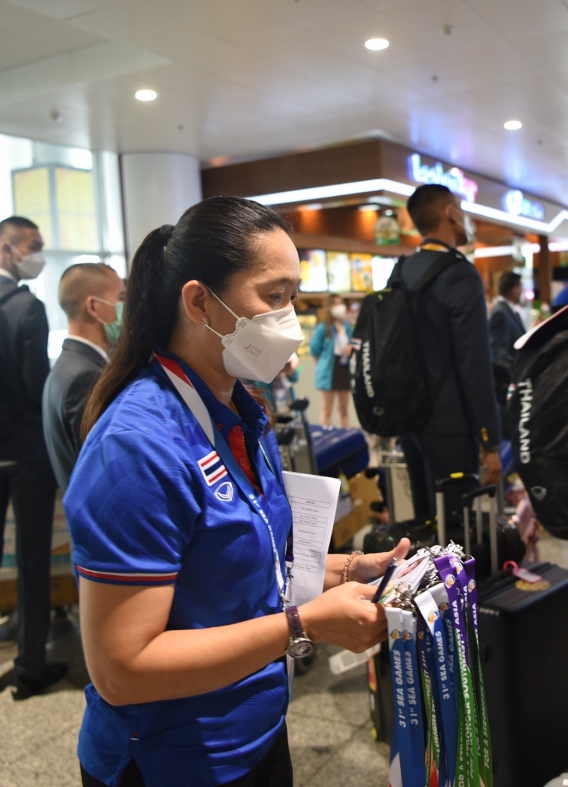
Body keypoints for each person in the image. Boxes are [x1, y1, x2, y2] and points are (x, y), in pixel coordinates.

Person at [66, 196, 408, 787]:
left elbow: (247, 563)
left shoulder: (240, 409)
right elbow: (123, 667)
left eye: (293, 298)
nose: (290, 321)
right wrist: (305, 625)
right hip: (173, 761)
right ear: (200, 302)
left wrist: (349, 569)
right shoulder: (136, 447)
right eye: (273, 297)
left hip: (256, 731)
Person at [0, 216, 65, 703]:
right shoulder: (27, 307)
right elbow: (33, 386)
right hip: (23, 453)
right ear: (8, 247)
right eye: (34, 245)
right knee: (31, 557)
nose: (38, 254)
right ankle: (28, 667)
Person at [399, 184, 502, 526]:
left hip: (411, 422)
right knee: (455, 533)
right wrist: (490, 440)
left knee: (426, 522)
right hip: (452, 425)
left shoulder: (400, 271)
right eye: (460, 207)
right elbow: (474, 366)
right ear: (449, 213)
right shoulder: (459, 273)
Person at [43, 263, 124, 490]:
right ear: (94, 307)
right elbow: (105, 467)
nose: (126, 308)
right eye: (122, 298)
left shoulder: (68, 365)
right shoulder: (85, 376)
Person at [307, 294, 352, 427]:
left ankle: (346, 439)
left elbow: (353, 344)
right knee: (327, 409)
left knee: (344, 410)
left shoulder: (347, 327)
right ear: (329, 307)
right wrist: (323, 365)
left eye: (341, 303)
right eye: (336, 303)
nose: (340, 307)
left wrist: (350, 349)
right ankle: (326, 437)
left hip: (344, 368)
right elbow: (314, 351)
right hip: (329, 370)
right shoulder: (322, 328)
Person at [488, 271, 526, 405]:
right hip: (508, 387)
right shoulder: (500, 313)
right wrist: (519, 373)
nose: (522, 291)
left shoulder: (510, 311)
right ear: (515, 290)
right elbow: (499, 353)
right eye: (521, 287)